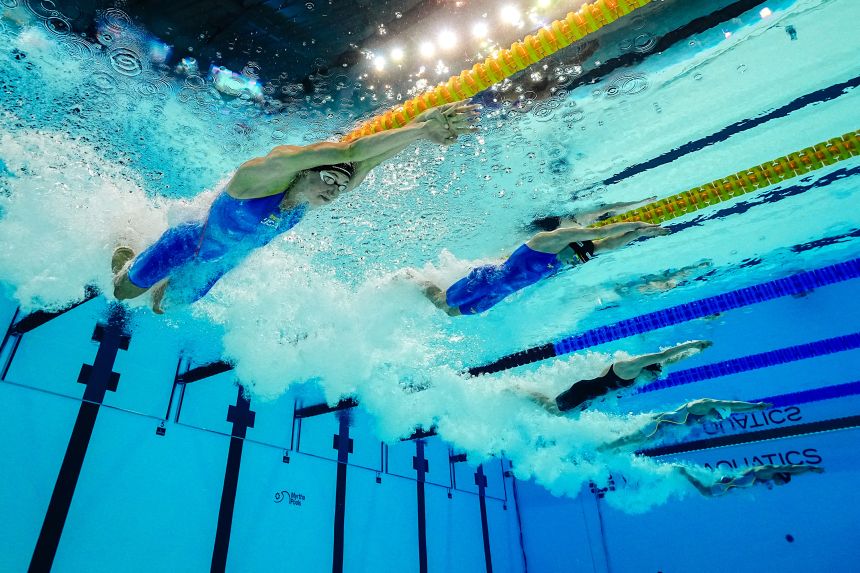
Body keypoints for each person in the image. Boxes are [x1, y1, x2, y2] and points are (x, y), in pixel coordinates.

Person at [112, 101, 480, 312]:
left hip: (218, 264)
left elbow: (370, 161)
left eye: (341, 185)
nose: (336, 191)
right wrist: (418, 131)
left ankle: (146, 270)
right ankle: (125, 247)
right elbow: (351, 152)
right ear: (306, 171)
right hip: (190, 242)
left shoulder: (310, 194)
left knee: (162, 307)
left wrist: (425, 124)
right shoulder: (261, 177)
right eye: (329, 180)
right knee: (124, 292)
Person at [417, 218, 669, 316]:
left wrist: (639, 235)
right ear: (570, 243)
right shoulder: (547, 241)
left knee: (452, 314)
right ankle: (413, 279)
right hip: (488, 280)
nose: (572, 262)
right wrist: (641, 225)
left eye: (577, 259)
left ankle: (421, 283)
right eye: (575, 256)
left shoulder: (566, 254)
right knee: (442, 303)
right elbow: (602, 232)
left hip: (499, 293)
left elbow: (610, 244)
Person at [517, 340, 712, 415]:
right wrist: (693, 343)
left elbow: (669, 361)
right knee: (554, 409)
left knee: (557, 411)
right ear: (647, 368)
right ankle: (519, 390)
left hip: (590, 397)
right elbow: (663, 356)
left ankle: (523, 391)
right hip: (583, 391)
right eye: (653, 374)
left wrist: (695, 351)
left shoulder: (641, 373)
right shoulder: (629, 367)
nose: (653, 378)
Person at [599, 398, 771, 451]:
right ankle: (604, 446)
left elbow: (733, 410)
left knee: (636, 443)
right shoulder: (703, 405)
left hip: (663, 429)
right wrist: (755, 406)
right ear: (714, 409)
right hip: (660, 422)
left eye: (718, 419)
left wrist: (752, 411)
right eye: (716, 416)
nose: (715, 419)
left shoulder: (712, 413)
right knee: (632, 438)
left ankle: (606, 446)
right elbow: (730, 404)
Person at [677, 464, 824, 497]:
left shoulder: (774, 474)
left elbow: (793, 473)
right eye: (783, 482)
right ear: (781, 476)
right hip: (733, 482)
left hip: (736, 484)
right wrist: (810, 468)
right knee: (706, 493)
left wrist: (806, 471)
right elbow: (791, 468)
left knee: (710, 493)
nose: (781, 485)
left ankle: (687, 473)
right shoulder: (769, 470)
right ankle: (684, 473)